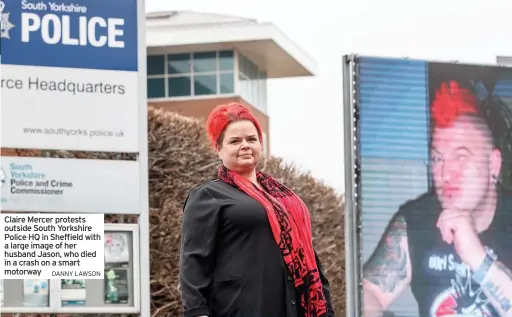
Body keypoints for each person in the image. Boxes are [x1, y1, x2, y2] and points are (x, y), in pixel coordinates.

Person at [362, 81, 512, 317]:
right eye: (438, 159)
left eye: (461, 157)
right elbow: (368, 292)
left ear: (493, 165)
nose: (445, 174)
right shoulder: (416, 220)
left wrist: (476, 256)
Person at [179, 102, 335, 317]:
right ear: (218, 148)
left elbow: (309, 256)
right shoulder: (208, 196)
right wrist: (197, 312)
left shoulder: (283, 198)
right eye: (235, 141)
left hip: (292, 307)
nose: (245, 145)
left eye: (251, 139)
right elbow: (193, 261)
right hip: (240, 308)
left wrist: (324, 306)